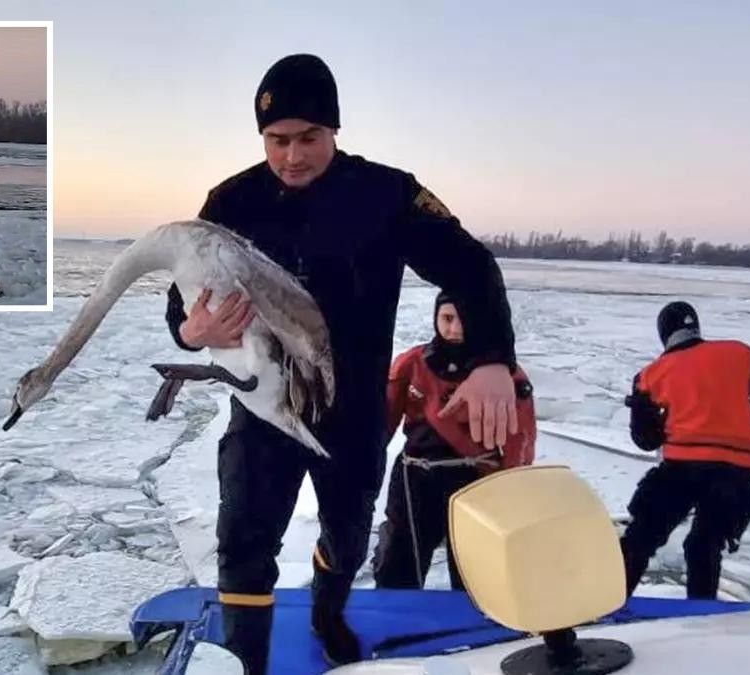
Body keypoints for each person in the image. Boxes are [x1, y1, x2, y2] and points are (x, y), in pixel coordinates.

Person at [164, 54, 519, 672]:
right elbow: (182, 296)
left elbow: (470, 266)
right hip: (265, 404)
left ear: (334, 131)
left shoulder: (387, 194)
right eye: (277, 141)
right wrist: (190, 331)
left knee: (349, 536)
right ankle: (247, 661)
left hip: (352, 408)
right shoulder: (232, 200)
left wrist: (491, 359)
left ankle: (329, 613)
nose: (292, 156)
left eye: (309, 139)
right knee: (244, 539)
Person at [619, 300, 750, 600]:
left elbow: (646, 440)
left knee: (642, 537)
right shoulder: (739, 354)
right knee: (704, 545)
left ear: (663, 334)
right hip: (735, 472)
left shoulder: (651, 375)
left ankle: (609, 603)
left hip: (680, 468)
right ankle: (702, 614)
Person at [373, 291, 537, 591]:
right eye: (447, 319)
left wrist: (514, 481)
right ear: (436, 319)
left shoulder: (503, 375)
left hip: (477, 481)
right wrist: (362, 462)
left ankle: (478, 624)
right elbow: (381, 423)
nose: (455, 329)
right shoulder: (411, 364)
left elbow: (521, 435)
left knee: (476, 570)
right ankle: (395, 623)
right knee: (399, 560)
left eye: (465, 319)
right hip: (416, 480)